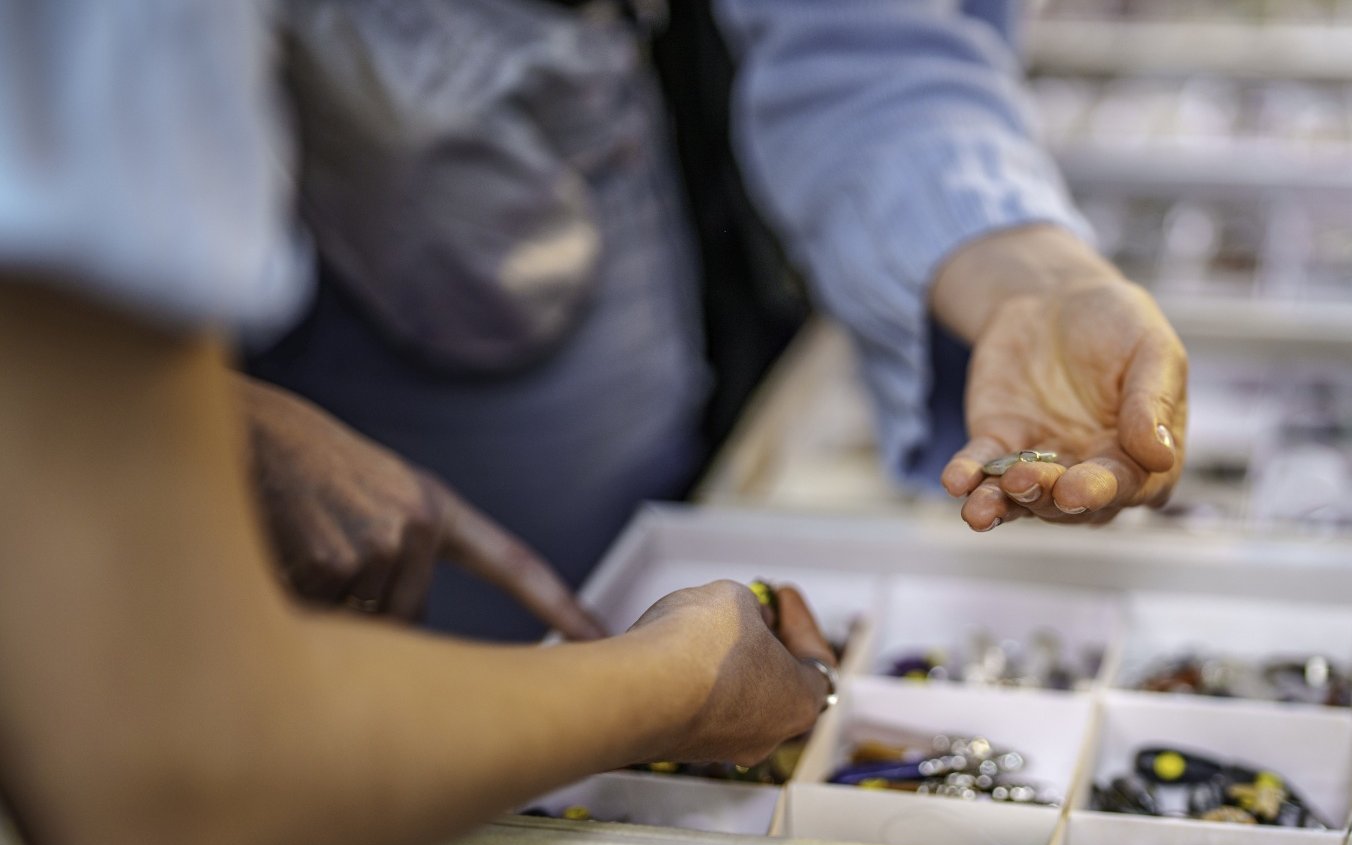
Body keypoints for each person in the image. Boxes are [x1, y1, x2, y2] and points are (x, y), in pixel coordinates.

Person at [0, 0, 1187, 845]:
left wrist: (1025, 261)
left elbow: (866, 33)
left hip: (511, 227)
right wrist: (668, 688)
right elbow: (171, 753)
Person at [245, 0, 1191, 641]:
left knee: (568, 606)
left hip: (521, 194)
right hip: (224, 303)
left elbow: (868, 43)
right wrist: (209, 416)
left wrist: (1025, 269)